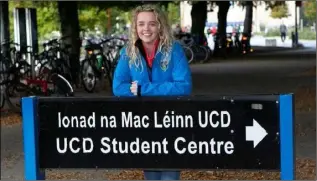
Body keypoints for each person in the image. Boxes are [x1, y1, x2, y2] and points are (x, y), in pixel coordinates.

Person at [112, 4, 192, 180]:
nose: (146, 29)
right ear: (135, 27)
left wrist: (143, 89)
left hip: (171, 121)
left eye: (152, 24)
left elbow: (183, 86)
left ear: (160, 26)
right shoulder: (128, 52)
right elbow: (118, 87)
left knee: (170, 176)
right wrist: (156, 90)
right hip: (144, 123)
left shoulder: (174, 50)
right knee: (151, 176)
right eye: (141, 24)